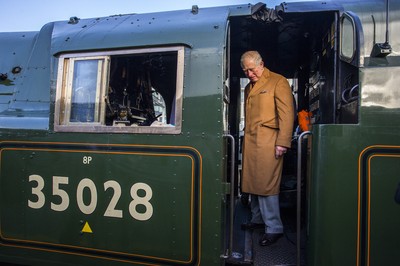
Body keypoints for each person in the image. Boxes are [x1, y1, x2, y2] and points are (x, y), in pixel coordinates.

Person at [240, 51, 294, 246]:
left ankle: (274, 228)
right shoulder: (248, 87)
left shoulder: (278, 81)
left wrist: (283, 141)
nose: (249, 74)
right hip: (252, 141)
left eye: (252, 69)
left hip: (269, 141)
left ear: (261, 64)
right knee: (253, 181)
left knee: (266, 184)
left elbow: (287, 114)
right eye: (245, 71)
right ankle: (258, 220)